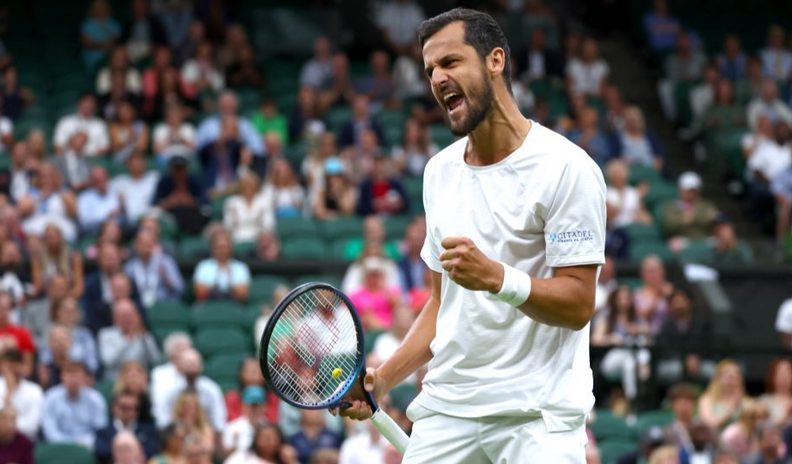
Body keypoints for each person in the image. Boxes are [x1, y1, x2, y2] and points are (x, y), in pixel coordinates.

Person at [337, 9, 606, 462]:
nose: (438, 78)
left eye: (450, 62)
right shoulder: (438, 172)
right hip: (448, 412)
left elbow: (578, 304)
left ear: (495, 60)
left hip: (536, 418)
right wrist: (383, 379)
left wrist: (498, 278)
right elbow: (444, 304)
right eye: (430, 70)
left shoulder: (567, 168)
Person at [42, 361, 108, 449]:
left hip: (88, 448)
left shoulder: (96, 399)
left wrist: (84, 443)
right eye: (69, 375)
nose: (73, 380)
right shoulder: (51, 397)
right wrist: (67, 444)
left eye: (77, 376)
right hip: (58, 447)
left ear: (84, 378)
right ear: (62, 377)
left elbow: (100, 429)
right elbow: (49, 429)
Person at [98, 298, 161, 382]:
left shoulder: (143, 334)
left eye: (130, 315)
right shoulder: (106, 334)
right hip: (115, 380)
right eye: (124, 316)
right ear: (115, 318)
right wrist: (128, 339)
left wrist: (144, 337)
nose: (128, 319)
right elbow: (108, 362)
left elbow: (155, 359)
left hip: (140, 380)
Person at [95, 390, 160, 463]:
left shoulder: (148, 430)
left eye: (131, 408)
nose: (127, 411)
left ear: (137, 411)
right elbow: (101, 452)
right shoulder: (103, 432)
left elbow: (152, 451)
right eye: (123, 407)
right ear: (114, 408)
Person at [192, 227, 251, 303]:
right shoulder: (203, 266)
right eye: (218, 247)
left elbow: (243, 295)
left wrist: (229, 284)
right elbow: (200, 294)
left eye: (224, 247)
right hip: (209, 305)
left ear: (230, 248)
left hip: (234, 306)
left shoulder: (241, 267)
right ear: (212, 248)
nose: (222, 251)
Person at [0, 349, 44, 441]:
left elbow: (32, 427)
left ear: (23, 367)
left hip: (25, 443)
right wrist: (9, 394)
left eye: (15, 366)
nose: (12, 371)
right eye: (8, 367)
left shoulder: (35, 390)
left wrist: (7, 427)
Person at [221, 385, 269, 458]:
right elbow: (226, 455)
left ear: (264, 406)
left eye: (257, 405)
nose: (254, 409)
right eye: (251, 405)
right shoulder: (232, 427)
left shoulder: (270, 428)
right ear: (243, 405)